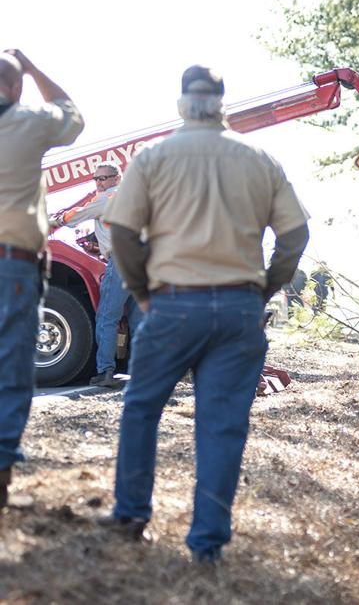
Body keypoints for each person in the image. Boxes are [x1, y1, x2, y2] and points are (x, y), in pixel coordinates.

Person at [101, 65, 309, 562]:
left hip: (171, 304)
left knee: (142, 407)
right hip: (238, 307)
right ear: (222, 104)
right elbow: (295, 234)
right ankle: (207, 545)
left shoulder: (153, 158)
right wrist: (266, 288)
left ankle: (131, 515)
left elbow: (121, 231)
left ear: (181, 104)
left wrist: (140, 291)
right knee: (222, 425)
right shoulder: (259, 159)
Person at [0, 49, 84, 508]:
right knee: (12, 367)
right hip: (12, 264)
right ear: (16, 88)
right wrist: (32, 68)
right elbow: (72, 116)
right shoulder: (29, 122)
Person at [50, 161, 129, 388]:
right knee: (138, 317)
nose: (99, 183)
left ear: (116, 178)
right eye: (96, 179)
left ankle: (105, 372)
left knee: (107, 317)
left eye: (103, 178)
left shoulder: (108, 198)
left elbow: (77, 215)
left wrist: (55, 220)